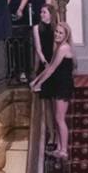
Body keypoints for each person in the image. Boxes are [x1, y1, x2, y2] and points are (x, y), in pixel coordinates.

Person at [32, 18, 75, 161]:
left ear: (66, 36)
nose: (57, 34)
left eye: (60, 33)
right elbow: (49, 67)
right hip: (58, 84)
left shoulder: (64, 48)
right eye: (56, 31)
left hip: (63, 86)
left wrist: (39, 84)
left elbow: (52, 69)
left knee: (60, 118)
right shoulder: (58, 47)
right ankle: (59, 148)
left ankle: (64, 150)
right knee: (57, 118)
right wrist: (36, 80)